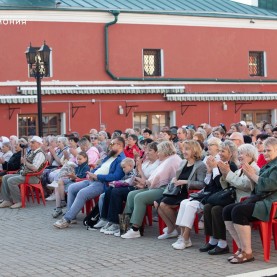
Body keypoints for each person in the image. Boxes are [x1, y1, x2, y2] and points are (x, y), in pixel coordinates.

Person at [222, 137, 277, 264]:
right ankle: (241, 248)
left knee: (238, 211)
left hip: (271, 204)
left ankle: (248, 252)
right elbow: (258, 187)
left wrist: (252, 175)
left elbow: (270, 185)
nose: (265, 153)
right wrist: (251, 176)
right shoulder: (269, 165)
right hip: (262, 200)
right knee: (227, 210)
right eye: (264, 151)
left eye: (269, 150)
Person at [53, 137, 126, 229]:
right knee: (72, 188)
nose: (110, 146)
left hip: (102, 183)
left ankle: (66, 219)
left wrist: (97, 176)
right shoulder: (110, 156)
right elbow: (99, 167)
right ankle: (72, 216)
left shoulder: (121, 159)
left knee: (82, 193)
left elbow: (116, 176)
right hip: (92, 179)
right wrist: (91, 173)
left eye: (112, 144)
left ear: (119, 145)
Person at [121, 141, 182, 239]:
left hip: (166, 189)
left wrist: (146, 183)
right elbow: (154, 179)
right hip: (158, 187)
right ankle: (125, 225)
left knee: (140, 197)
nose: (158, 154)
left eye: (159, 151)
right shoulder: (166, 160)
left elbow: (160, 179)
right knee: (131, 194)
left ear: (165, 151)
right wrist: (145, 182)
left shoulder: (172, 160)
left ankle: (135, 229)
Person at [156, 140, 207, 241]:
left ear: (195, 150)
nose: (184, 151)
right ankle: (172, 229)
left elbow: (202, 184)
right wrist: (174, 179)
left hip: (188, 193)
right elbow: (177, 177)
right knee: (156, 203)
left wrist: (186, 182)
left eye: (187, 149)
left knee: (163, 204)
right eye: (183, 149)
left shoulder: (200, 165)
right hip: (177, 191)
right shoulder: (183, 162)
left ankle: (179, 230)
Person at [199, 140, 238, 255]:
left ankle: (223, 243)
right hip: (219, 197)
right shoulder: (219, 164)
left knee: (216, 210)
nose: (220, 153)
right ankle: (213, 239)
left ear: (230, 153)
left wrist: (215, 169)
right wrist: (210, 171)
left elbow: (221, 185)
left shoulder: (231, 166)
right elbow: (209, 184)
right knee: (207, 207)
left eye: (223, 151)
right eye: (220, 151)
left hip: (229, 198)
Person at [0, 136, 46, 209]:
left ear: (39, 144)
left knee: (11, 180)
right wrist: (24, 163)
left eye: (33, 142)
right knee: (5, 177)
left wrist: (25, 162)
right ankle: (7, 200)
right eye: (30, 142)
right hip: (26, 174)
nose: (30, 144)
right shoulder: (33, 152)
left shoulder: (40, 153)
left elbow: (35, 168)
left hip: (33, 177)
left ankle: (19, 201)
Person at [98, 158, 137, 235]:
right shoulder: (127, 173)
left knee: (116, 192)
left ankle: (117, 223)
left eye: (124, 167)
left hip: (135, 188)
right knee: (110, 190)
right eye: (122, 168)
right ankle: (108, 219)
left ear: (130, 166)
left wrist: (118, 183)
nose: (123, 169)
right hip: (131, 187)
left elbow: (130, 182)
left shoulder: (133, 171)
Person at [52, 151, 90, 218]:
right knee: (58, 184)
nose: (78, 161)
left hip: (79, 183)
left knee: (60, 184)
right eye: (77, 159)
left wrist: (73, 176)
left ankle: (61, 206)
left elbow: (82, 178)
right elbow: (75, 176)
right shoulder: (78, 166)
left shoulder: (86, 167)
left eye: (80, 159)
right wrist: (70, 175)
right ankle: (59, 206)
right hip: (73, 181)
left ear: (85, 159)